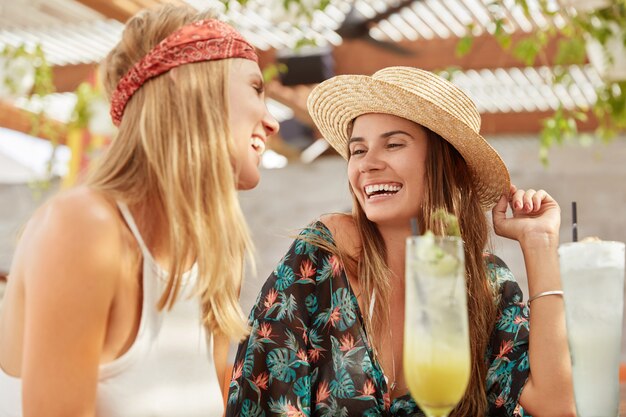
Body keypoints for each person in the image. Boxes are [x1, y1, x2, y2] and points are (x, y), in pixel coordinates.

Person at [225, 67, 574, 416]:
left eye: (393, 144)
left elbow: (556, 408)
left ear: (446, 165)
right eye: (358, 150)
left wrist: (540, 243)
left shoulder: (487, 285)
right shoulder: (323, 257)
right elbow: (261, 396)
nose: (368, 164)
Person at [0, 4, 278, 417]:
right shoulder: (85, 228)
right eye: (256, 89)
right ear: (193, 88)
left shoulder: (220, 254)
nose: (272, 122)